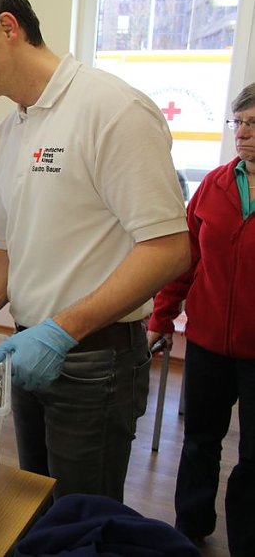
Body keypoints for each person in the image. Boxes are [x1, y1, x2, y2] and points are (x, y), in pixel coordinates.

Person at [0, 0, 190, 502]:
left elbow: (169, 248)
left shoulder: (112, 109)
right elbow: (6, 247)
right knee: (41, 506)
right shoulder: (7, 132)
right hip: (27, 352)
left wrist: (60, 329)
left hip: (95, 359)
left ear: (8, 27)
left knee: (83, 519)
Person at [146, 82, 255, 555]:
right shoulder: (215, 184)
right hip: (209, 339)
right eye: (240, 122)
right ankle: (189, 526)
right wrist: (162, 316)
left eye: (254, 123)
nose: (244, 133)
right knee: (199, 441)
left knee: (253, 458)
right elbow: (185, 259)